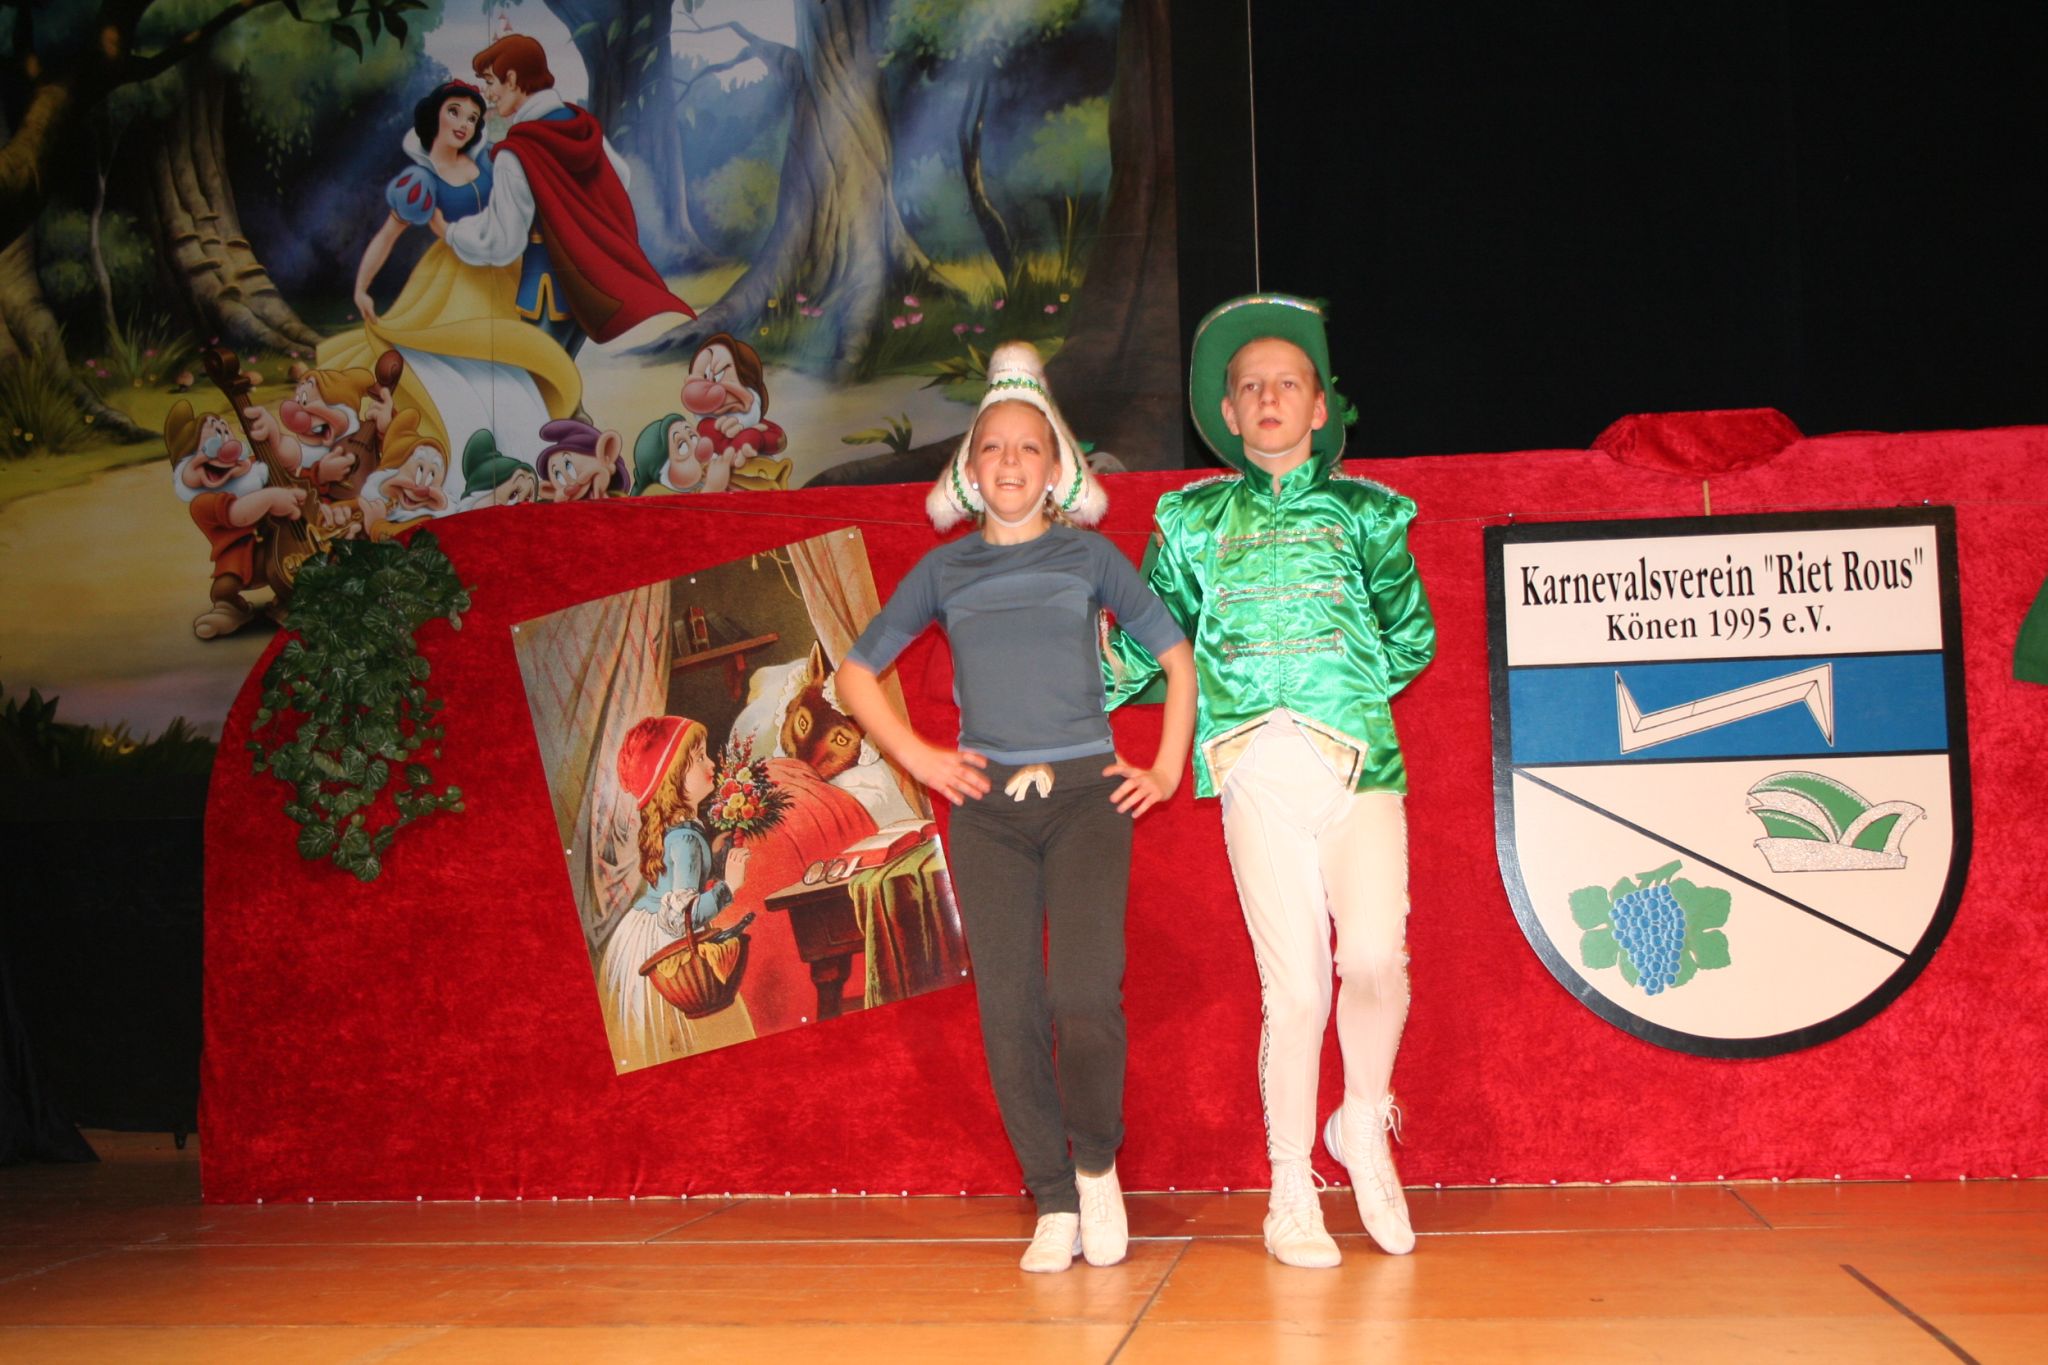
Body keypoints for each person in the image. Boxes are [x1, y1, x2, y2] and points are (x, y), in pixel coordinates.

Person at [835, 343, 1196, 1274]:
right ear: (968, 467)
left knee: (1083, 995)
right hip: (987, 810)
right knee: (1009, 1006)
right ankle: (1052, 1194)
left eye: (1028, 446)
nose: (1008, 460)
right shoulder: (944, 570)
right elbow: (854, 673)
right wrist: (919, 756)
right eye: (991, 445)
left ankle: (1098, 1164)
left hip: (1085, 799)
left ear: (1055, 465)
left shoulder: (1090, 555)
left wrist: (1164, 767)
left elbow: (1176, 655)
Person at [1105, 294, 1437, 1266]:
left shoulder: (1369, 513)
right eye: (1249, 385)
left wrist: (1340, 689)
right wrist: (1073, 681)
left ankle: (1361, 1122)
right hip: (1251, 769)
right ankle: (1290, 1186)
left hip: (1357, 763)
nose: (1267, 397)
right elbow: (1155, 642)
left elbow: (1411, 636)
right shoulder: (1190, 520)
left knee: (1373, 959)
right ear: (1227, 410)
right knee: (1292, 991)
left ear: (1319, 406)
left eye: (1287, 382)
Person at [321, 78, 581, 479]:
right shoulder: (421, 181)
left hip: (502, 267)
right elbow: (387, 235)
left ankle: (523, 444)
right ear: (436, 115)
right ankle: (467, 450)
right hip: (452, 281)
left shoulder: (489, 163)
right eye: (455, 112)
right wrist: (361, 287)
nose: (463, 123)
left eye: (473, 118)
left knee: (512, 355)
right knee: (458, 360)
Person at [435, 34, 694, 357]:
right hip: (586, 290)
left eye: (490, 81)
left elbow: (503, 242)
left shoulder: (515, 153)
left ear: (512, 79)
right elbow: (621, 177)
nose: (487, 93)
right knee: (561, 377)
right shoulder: (581, 126)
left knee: (537, 379)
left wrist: (451, 232)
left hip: (545, 291)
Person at [603, 715, 756, 1066]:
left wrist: (713, 858)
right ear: (673, 778)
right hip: (666, 943)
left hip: (642, 929)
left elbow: (677, 885)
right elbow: (681, 918)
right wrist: (729, 885)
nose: (711, 764)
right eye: (699, 757)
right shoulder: (685, 838)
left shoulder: (678, 828)